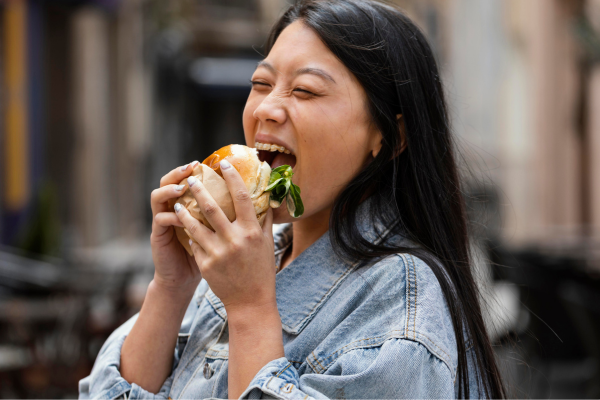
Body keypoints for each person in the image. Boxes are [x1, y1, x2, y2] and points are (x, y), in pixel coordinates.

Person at [79, 0, 506, 398]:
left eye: (305, 91)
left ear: (389, 136)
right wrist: (172, 286)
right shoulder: (245, 261)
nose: (267, 108)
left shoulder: (402, 309)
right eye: (261, 83)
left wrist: (250, 310)